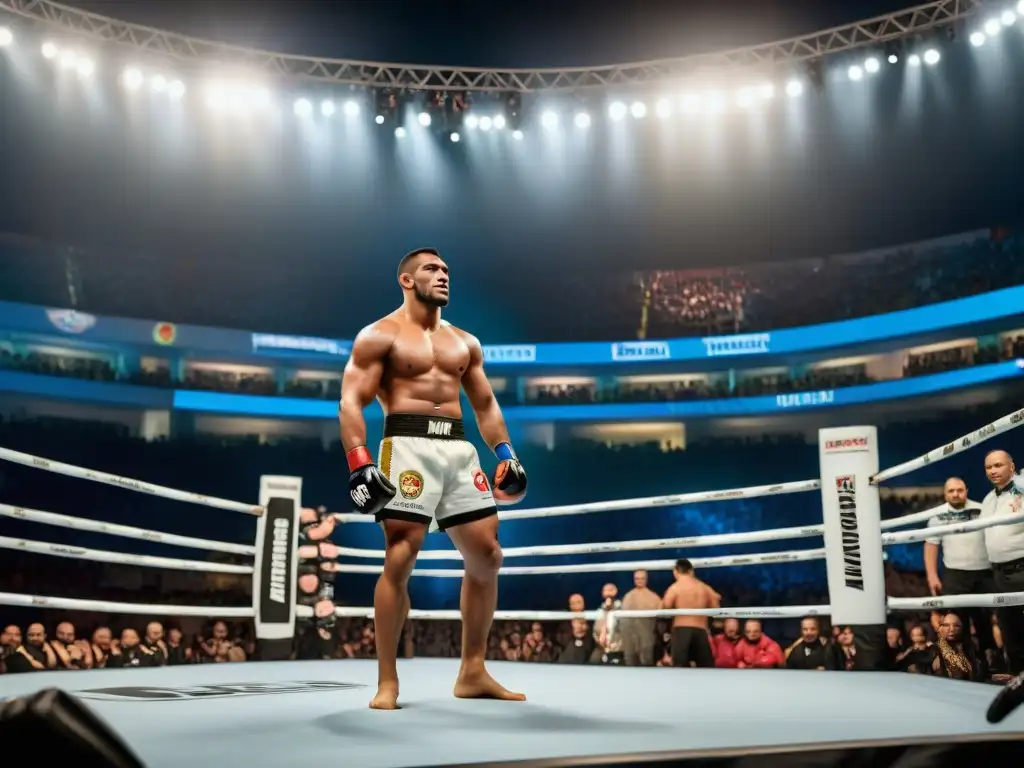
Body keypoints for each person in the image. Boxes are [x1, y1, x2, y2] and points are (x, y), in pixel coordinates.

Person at [340, 247, 528, 710]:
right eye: (432, 269)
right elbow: (350, 401)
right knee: (401, 558)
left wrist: (505, 453)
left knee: (488, 556)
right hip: (406, 446)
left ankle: (473, 671)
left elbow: (485, 405)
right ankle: (388, 682)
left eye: (446, 269)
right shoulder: (379, 335)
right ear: (406, 280)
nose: (443, 275)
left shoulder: (465, 342)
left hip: (459, 449)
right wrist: (360, 463)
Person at [923, 476, 995, 658]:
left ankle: (989, 664)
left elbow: (996, 537)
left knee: (985, 621)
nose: (956, 494)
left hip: (985, 573)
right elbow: (931, 545)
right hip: (955, 575)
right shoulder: (937, 517)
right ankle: (958, 665)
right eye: (951, 491)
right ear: (945, 493)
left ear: (966, 491)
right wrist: (931, 575)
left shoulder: (982, 510)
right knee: (955, 622)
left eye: (960, 490)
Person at [978, 449, 1024, 674]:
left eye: (998, 465)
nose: (993, 471)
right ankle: (1017, 683)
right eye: (989, 467)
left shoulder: (1022, 490)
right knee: (1010, 632)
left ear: (1012, 467)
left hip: (1021, 568)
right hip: (998, 573)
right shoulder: (987, 500)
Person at [662, 558, 719, 668]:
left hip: (681, 629)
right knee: (705, 668)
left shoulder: (675, 588)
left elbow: (666, 608)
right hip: (701, 630)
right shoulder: (705, 588)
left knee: (680, 668)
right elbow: (716, 606)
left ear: (676, 571)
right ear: (690, 571)